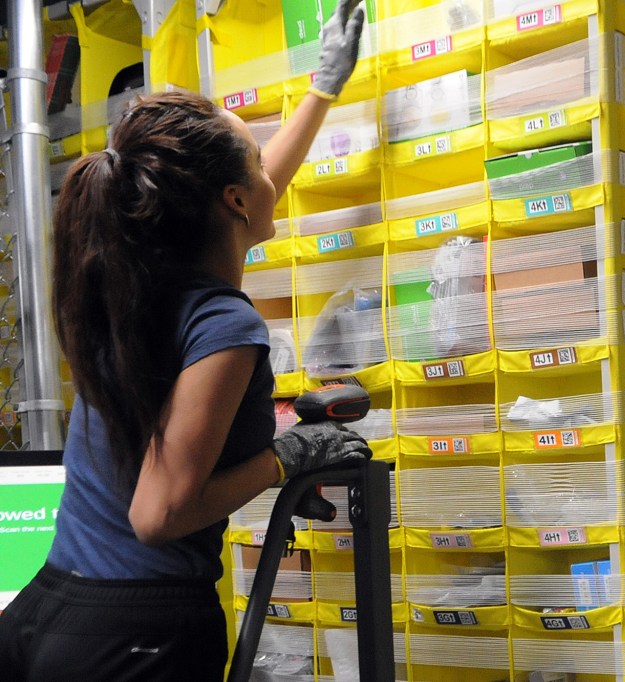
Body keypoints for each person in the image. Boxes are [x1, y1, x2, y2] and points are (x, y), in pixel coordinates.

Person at [0, 2, 370, 679]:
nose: (268, 177)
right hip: (136, 632)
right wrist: (290, 455)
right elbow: (158, 512)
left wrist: (322, 91)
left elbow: (247, 190)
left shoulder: (137, 284)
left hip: (50, 610)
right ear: (232, 201)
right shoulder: (226, 325)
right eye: (257, 158)